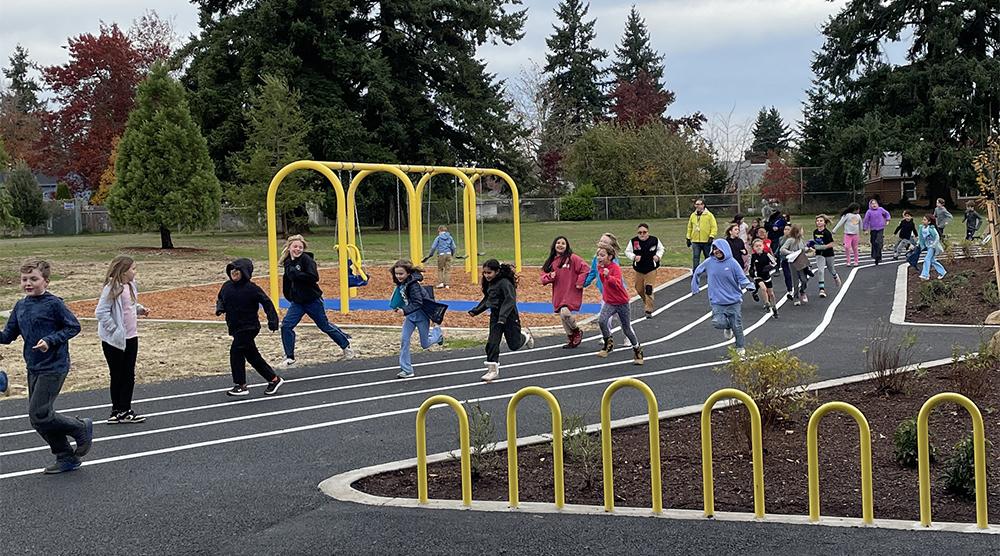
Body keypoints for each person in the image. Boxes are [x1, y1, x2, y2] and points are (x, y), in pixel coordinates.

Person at [0, 260, 90, 474]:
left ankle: (79, 427)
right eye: (24, 280)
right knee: (38, 418)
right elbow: (7, 336)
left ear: (46, 282)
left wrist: (50, 340)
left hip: (54, 365)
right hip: (33, 366)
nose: (28, 283)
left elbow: (73, 326)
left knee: (39, 413)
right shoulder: (20, 306)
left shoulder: (54, 304)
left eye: (34, 279)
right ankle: (66, 457)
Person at [276, 235, 355, 369]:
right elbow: (288, 279)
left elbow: (313, 277)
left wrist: (297, 274)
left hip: (313, 300)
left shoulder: (307, 260)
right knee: (286, 326)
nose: (298, 249)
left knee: (324, 325)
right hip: (297, 302)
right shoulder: (288, 262)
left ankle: (346, 345)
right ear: (289, 247)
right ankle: (289, 357)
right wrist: (289, 295)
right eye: (295, 246)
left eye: (300, 247)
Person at [216, 259, 284, 397]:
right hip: (235, 326)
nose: (234, 272)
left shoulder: (252, 288)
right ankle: (274, 379)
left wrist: (273, 321)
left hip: (249, 327)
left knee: (236, 352)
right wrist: (220, 308)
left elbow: (267, 303)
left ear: (245, 273)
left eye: (237, 270)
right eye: (232, 270)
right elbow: (221, 298)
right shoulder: (226, 286)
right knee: (252, 356)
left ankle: (240, 385)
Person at [95, 255, 150, 424]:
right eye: (133, 269)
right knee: (118, 374)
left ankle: (122, 409)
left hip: (131, 337)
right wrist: (114, 329)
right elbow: (101, 312)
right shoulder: (112, 287)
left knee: (128, 373)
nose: (135, 272)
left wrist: (140, 309)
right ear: (123, 271)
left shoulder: (131, 286)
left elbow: (129, 306)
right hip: (115, 340)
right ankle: (119, 409)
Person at [468, 259, 534, 382]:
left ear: (497, 271)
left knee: (514, 345)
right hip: (495, 317)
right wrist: (476, 310)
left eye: (489, 273)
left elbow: (510, 300)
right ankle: (492, 370)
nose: (486, 275)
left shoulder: (505, 283)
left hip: (509, 317)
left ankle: (525, 336)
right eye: (484, 273)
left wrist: (503, 317)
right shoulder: (489, 283)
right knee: (492, 342)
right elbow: (488, 299)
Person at [691, 239, 755, 356]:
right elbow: (697, 271)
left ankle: (740, 347)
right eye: (714, 249)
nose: (717, 251)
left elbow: (742, 278)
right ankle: (727, 326)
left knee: (737, 325)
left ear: (725, 249)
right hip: (717, 301)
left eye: (719, 249)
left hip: (733, 300)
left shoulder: (732, 263)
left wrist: (749, 285)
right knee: (717, 323)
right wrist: (695, 286)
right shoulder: (709, 262)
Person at [391, 260, 444, 379]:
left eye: (401, 274)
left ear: (408, 273)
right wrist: (397, 306)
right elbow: (403, 297)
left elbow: (418, 302)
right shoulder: (401, 283)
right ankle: (407, 369)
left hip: (421, 316)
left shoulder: (413, 285)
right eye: (396, 274)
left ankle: (437, 334)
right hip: (410, 317)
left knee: (425, 344)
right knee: (404, 340)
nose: (398, 276)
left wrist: (404, 310)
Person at [595, 246, 643, 365]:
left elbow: (617, 283)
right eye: (598, 255)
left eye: (602, 255)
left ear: (610, 257)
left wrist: (608, 276)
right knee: (602, 320)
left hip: (622, 302)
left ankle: (637, 349)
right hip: (609, 302)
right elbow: (603, 281)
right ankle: (608, 343)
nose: (599, 258)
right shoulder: (600, 267)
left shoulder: (615, 268)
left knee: (626, 328)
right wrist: (604, 274)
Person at [540, 236, 589, 349]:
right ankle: (571, 337)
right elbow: (542, 278)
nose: (560, 245)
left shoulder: (572, 258)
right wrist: (549, 276)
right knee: (563, 316)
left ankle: (577, 331)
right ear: (554, 245)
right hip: (559, 292)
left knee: (565, 313)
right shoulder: (551, 261)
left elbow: (585, 268)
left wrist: (580, 282)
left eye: (563, 243)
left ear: (567, 246)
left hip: (571, 291)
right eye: (558, 243)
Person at [626, 223, 664, 318]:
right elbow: (627, 251)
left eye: (644, 232)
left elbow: (661, 249)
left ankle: (648, 310)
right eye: (640, 233)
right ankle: (647, 301)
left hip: (651, 268)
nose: (642, 234)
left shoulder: (654, 240)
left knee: (648, 289)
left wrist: (658, 256)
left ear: (648, 232)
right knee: (639, 288)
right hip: (639, 269)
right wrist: (633, 257)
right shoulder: (633, 241)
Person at [780, 224, 812, 305]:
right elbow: (782, 249)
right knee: (795, 281)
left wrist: (808, 249)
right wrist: (791, 253)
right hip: (793, 262)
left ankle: (802, 291)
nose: (803, 231)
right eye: (801, 230)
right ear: (797, 231)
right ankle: (796, 297)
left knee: (804, 279)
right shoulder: (790, 240)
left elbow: (802, 249)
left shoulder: (801, 240)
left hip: (801, 261)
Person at [810, 215, 840, 298]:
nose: (819, 222)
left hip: (829, 253)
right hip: (819, 254)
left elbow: (832, 244)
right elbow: (815, 242)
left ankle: (835, 276)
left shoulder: (827, 233)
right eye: (817, 221)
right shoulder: (815, 232)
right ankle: (821, 289)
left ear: (824, 223)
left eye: (821, 221)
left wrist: (824, 247)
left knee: (831, 269)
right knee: (820, 271)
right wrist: (813, 246)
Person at [748, 239, 779, 318]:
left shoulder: (767, 255)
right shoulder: (753, 256)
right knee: (763, 288)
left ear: (763, 246)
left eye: (760, 246)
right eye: (756, 246)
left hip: (766, 276)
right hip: (758, 276)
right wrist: (752, 272)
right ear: (753, 248)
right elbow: (750, 266)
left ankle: (774, 307)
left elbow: (775, 262)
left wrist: (769, 267)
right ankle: (767, 303)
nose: (758, 247)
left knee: (771, 293)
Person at [686, 199, 718, 271]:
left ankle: (710, 270)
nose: (697, 206)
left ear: (703, 205)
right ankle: (696, 271)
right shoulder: (693, 215)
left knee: (708, 256)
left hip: (706, 240)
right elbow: (689, 227)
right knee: (696, 256)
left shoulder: (709, 215)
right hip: (695, 240)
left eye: (699, 204)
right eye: (696, 204)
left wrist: (711, 236)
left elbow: (714, 227)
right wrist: (688, 237)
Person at [918, 215, 947, 281]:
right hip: (928, 246)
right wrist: (918, 244)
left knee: (926, 259)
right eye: (923, 219)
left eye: (925, 220)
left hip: (933, 247)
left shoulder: (931, 228)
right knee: (932, 260)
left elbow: (937, 237)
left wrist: (933, 245)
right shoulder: (921, 228)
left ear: (929, 222)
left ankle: (925, 275)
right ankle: (942, 272)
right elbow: (920, 238)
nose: (923, 221)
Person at [862, 199, 891, 264]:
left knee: (879, 241)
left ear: (877, 204)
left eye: (875, 203)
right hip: (873, 229)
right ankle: (875, 256)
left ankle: (878, 256)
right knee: (873, 242)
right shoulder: (869, 212)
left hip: (880, 228)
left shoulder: (880, 209)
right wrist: (865, 229)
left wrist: (887, 220)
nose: (874, 205)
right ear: (870, 205)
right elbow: (866, 220)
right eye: (872, 204)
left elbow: (887, 214)